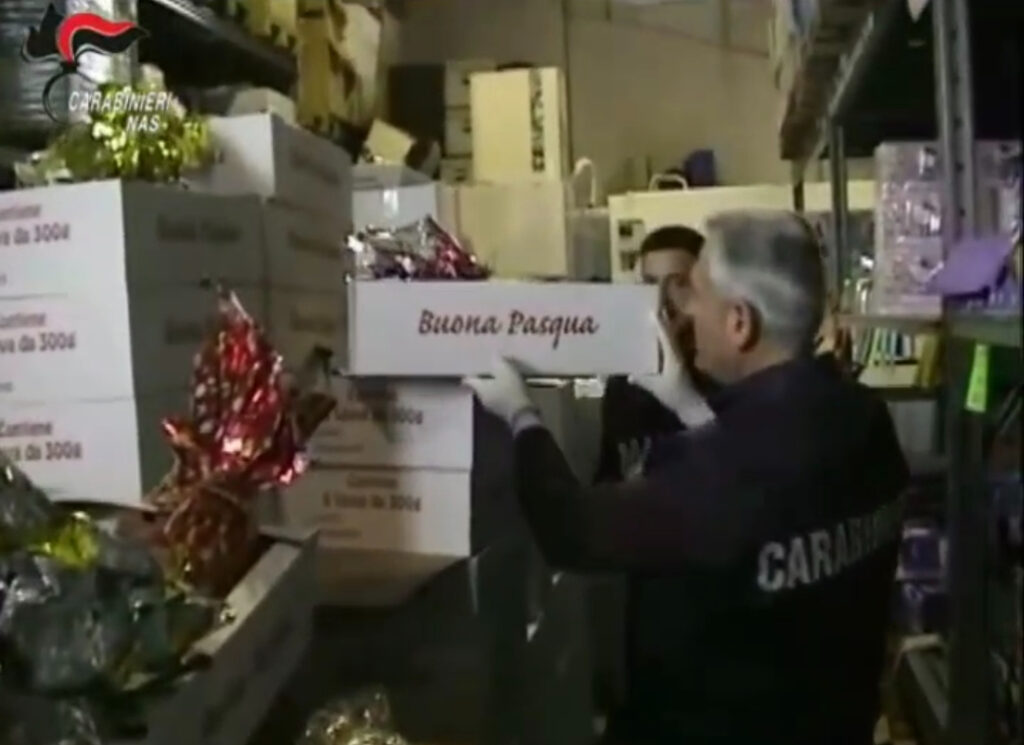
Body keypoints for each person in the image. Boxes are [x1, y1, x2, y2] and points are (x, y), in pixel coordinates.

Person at [464, 210, 910, 745]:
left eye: (693, 292)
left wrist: (520, 415)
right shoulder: (865, 420)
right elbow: (765, 504)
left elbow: (570, 531)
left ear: (739, 322)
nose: (681, 312)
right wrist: (688, 405)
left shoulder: (725, 468)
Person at [595, 225, 717, 483]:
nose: (661, 298)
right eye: (650, 283)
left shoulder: (731, 374)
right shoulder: (625, 384)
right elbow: (607, 476)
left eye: (679, 284)